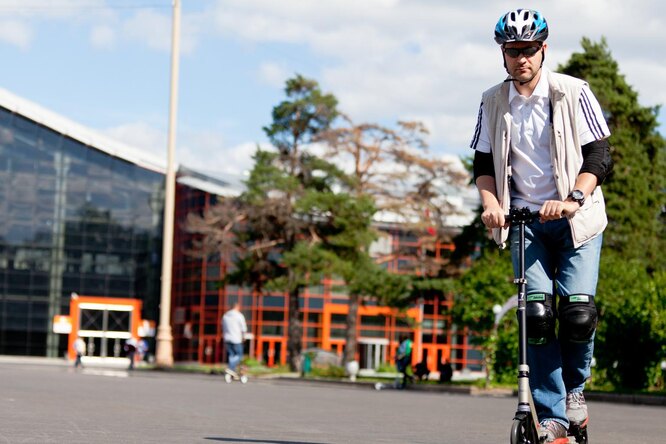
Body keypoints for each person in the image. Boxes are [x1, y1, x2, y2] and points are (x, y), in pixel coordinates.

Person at [470, 8, 612, 443]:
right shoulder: (493, 100)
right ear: (503, 54)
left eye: (529, 49)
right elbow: (481, 162)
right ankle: (551, 415)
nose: (521, 59)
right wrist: (491, 204)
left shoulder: (573, 91)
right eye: (513, 51)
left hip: (575, 219)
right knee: (536, 315)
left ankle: (575, 394)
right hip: (523, 222)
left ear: (542, 49)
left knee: (577, 314)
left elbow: (599, 155)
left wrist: (573, 199)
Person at [222, 302, 247, 377]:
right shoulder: (239, 315)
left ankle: (231, 371)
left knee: (231, 355)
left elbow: (223, 327)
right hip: (236, 339)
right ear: (237, 307)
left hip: (227, 338)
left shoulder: (225, 316)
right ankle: (230, 368)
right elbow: (243, 327)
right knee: (239, 355)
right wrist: (244, 336)